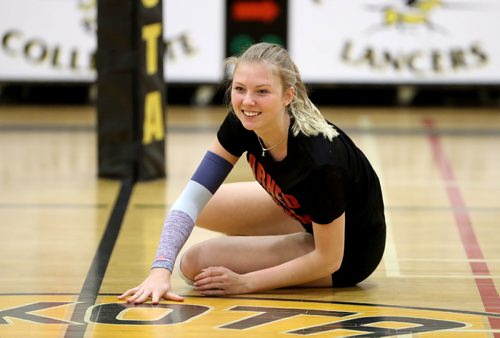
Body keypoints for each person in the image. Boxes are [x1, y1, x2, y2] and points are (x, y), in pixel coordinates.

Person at [119, 42, 386, 304]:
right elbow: (191, 199)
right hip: (309, 214)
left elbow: (329, 259)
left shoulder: (320, 161)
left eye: (262, 91)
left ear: (288, 95)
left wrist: (246, 282)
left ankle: (272, 251)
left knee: (194, 264)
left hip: (346, 252)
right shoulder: (243, 122)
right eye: (239, 89)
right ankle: (273, 247)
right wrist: (159, 270)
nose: (248, 101)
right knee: (206, 205)